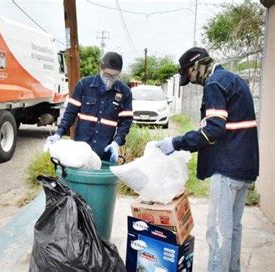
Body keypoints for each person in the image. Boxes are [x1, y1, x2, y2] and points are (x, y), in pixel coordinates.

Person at [156, 47, 259, 272]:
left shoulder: (214, 84)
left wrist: (176, 142)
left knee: (218, 231)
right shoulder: (234, 80)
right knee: (233, 228)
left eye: (190, 76)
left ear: (196, 67)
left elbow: (213, 129)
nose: (192, 81)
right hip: (245, 166)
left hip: (227, 168)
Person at [46, 52, 133, 162]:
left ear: (119, 74)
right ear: (100, 69)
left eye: (114, 76)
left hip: (104, 153)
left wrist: (116, 142)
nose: (110, 79)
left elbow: (126, 122)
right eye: (107, 74)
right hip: (80, 152)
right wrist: (58, 134)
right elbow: (70, 113)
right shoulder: (83, 85)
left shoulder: (125, 93)